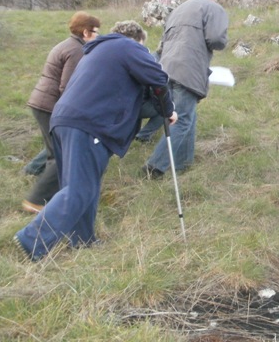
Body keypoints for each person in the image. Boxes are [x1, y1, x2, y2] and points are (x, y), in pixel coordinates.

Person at [14, 21, 177, 262]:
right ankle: (33, 238)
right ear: (138, 40)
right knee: (81, 188)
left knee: (81, 183)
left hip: (65, 120)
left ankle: (82, 240)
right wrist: (168, 110)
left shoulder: (98, 51)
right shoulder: (129, 47)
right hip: (90, 123)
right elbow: (158, 79)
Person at [143, 0, 229, 178]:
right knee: (181, 120)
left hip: (166, 69)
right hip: (187, 69)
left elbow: (162, 44)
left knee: (186, 114)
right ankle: (154, 167)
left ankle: (183, 162)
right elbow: (217, 39)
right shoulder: (212, 7)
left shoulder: (178, 10)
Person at [22, 11, 101, 214]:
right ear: (85, 32)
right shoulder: (76, 51)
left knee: (54, 153)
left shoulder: (66, 44)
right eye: (95, 32)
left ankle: (47, 189)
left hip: (42, 103)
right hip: (49, 106)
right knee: (61, 155)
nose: (97, 36)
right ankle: (35, 201)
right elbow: (67, 87)